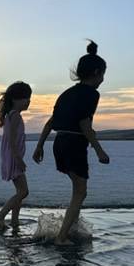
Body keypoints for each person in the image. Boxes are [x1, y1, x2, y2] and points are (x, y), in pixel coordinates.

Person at [33, 41, 110, 246]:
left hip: (59, 142)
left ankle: (70, 228)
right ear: (96, 72)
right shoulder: (91, 94)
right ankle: (62, 237)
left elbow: (51, 122)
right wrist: (99, 151)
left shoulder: (66, 93)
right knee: (80, 191)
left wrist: (39, 145)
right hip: (74, 143)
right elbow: (85, 124)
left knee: (78, 189)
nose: (103, 79)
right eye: (103, 74)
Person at [0, 81, 32, 231]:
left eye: (29, 98)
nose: (28, 101)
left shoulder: (11, 115)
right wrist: (19, 159)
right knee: (24, 191)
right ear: (15, 99)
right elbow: (11, 140)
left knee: (19, 192)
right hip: (14, 158)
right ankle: (0, 215)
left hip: (12, 157)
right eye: (25, 98)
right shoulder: (15, 116)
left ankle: (15, 220)